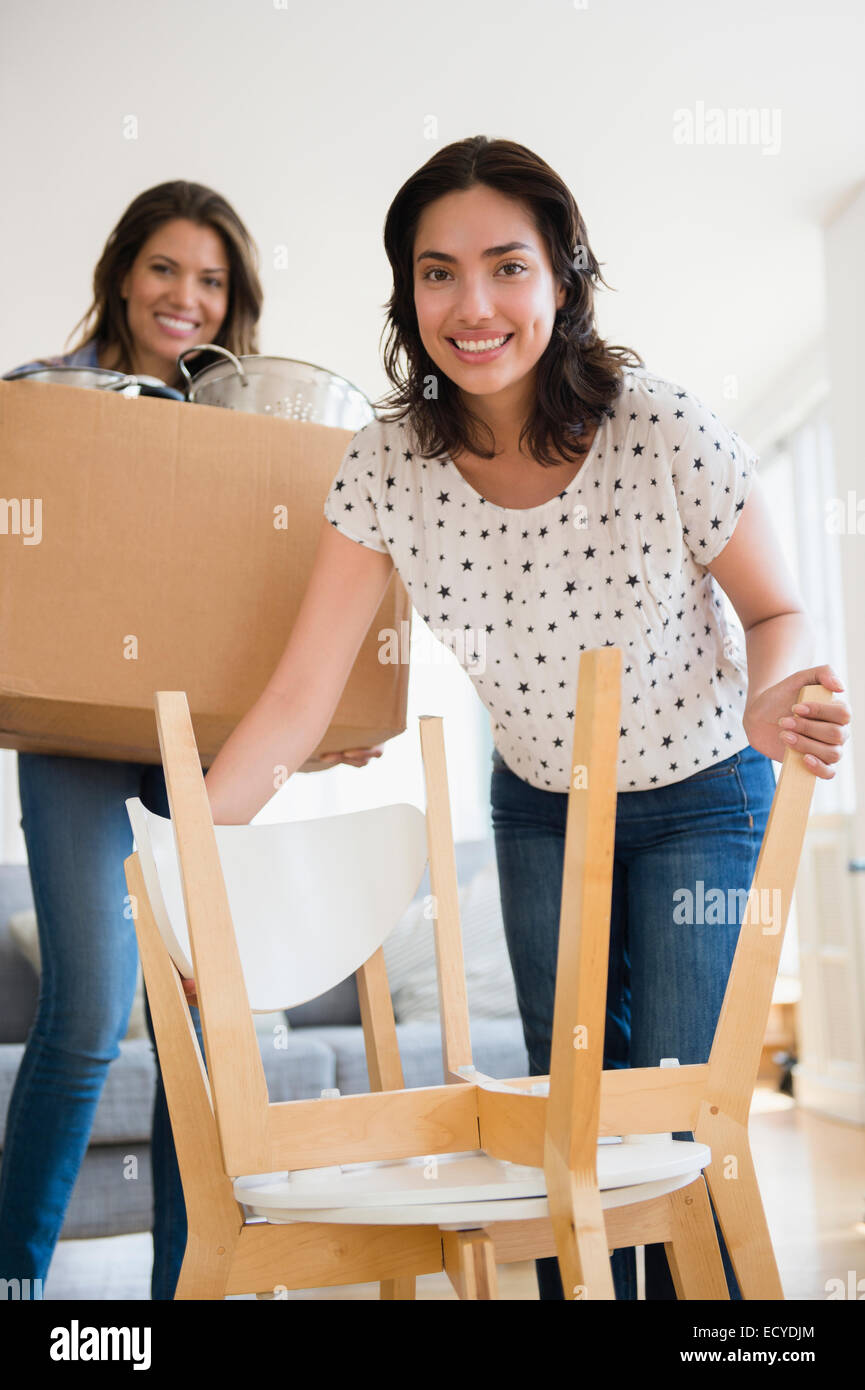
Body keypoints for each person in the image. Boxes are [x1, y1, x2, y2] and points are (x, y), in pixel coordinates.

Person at [200, 137, 851, 1300]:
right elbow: (299, 695)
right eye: (437, 272)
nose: (475, 303)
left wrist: (770, 693)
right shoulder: (386, 463)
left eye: (507, 265)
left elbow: (780, 608)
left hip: (705, 788)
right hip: (541, 800)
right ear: (408, 294)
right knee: (573, 1115)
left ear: (564, 276)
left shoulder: (661, 426)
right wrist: (186, 857)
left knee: (674, 1113)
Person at [0, 179, 377, 1301]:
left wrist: (331, 720)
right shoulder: (43, 400)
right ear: (124, 272)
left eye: (212, 281)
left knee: (199, 1025)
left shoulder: (260, 431)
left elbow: (281, 613)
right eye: (166, 268)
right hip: (75, 737)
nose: (186, 297)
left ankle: (186, 1293)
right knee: (91, 1007)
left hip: (204, 756)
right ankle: (16, 1283)